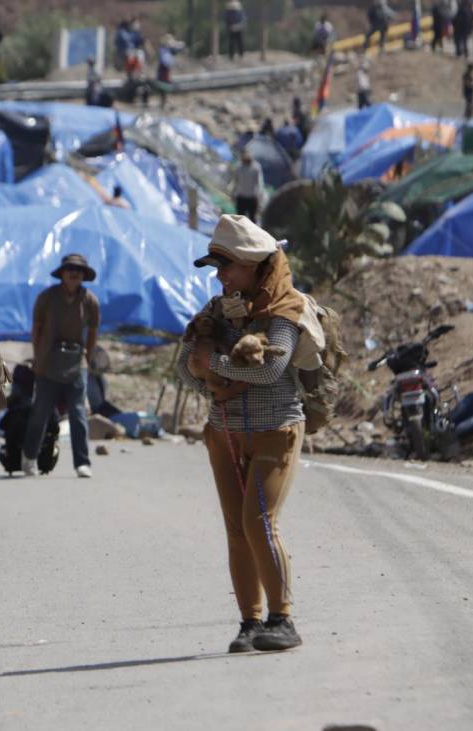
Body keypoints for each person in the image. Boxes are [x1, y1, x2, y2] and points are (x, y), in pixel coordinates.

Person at [175, 214, 307, 654]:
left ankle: (282, 619)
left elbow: (272, 368)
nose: (220, 276)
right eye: (217, 268)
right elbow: (185, 366)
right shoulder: (215, 314)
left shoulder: (284, 312)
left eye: (226, 266)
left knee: (258, 521)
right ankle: (250, 624)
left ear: (253, 264)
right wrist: (207, 374)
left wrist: (212, 365)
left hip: (276, 430)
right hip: (225, 433)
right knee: (237, 529)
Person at [22, 254, 100, 479]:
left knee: (78, 414)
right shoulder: (46, 297)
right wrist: (38, 357)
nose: (74, 273)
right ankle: (29, 457)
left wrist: (87, 353)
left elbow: (93, 330)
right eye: (70, 269)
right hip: (48, 362)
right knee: (41, 412)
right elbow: (36, 329)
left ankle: (82, 463)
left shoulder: (89, 300)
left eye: (78, 270)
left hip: (76, 362)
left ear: (84, 275)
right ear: (62, 273)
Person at [232, 149, 264, 220]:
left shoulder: (256, 167)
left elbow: (259, 183)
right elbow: (235, 181)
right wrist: (233, 193)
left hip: (252, 197)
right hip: (241, 197)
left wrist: (259, 196)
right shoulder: (238, 167)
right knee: (239, 219)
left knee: (252, 219)